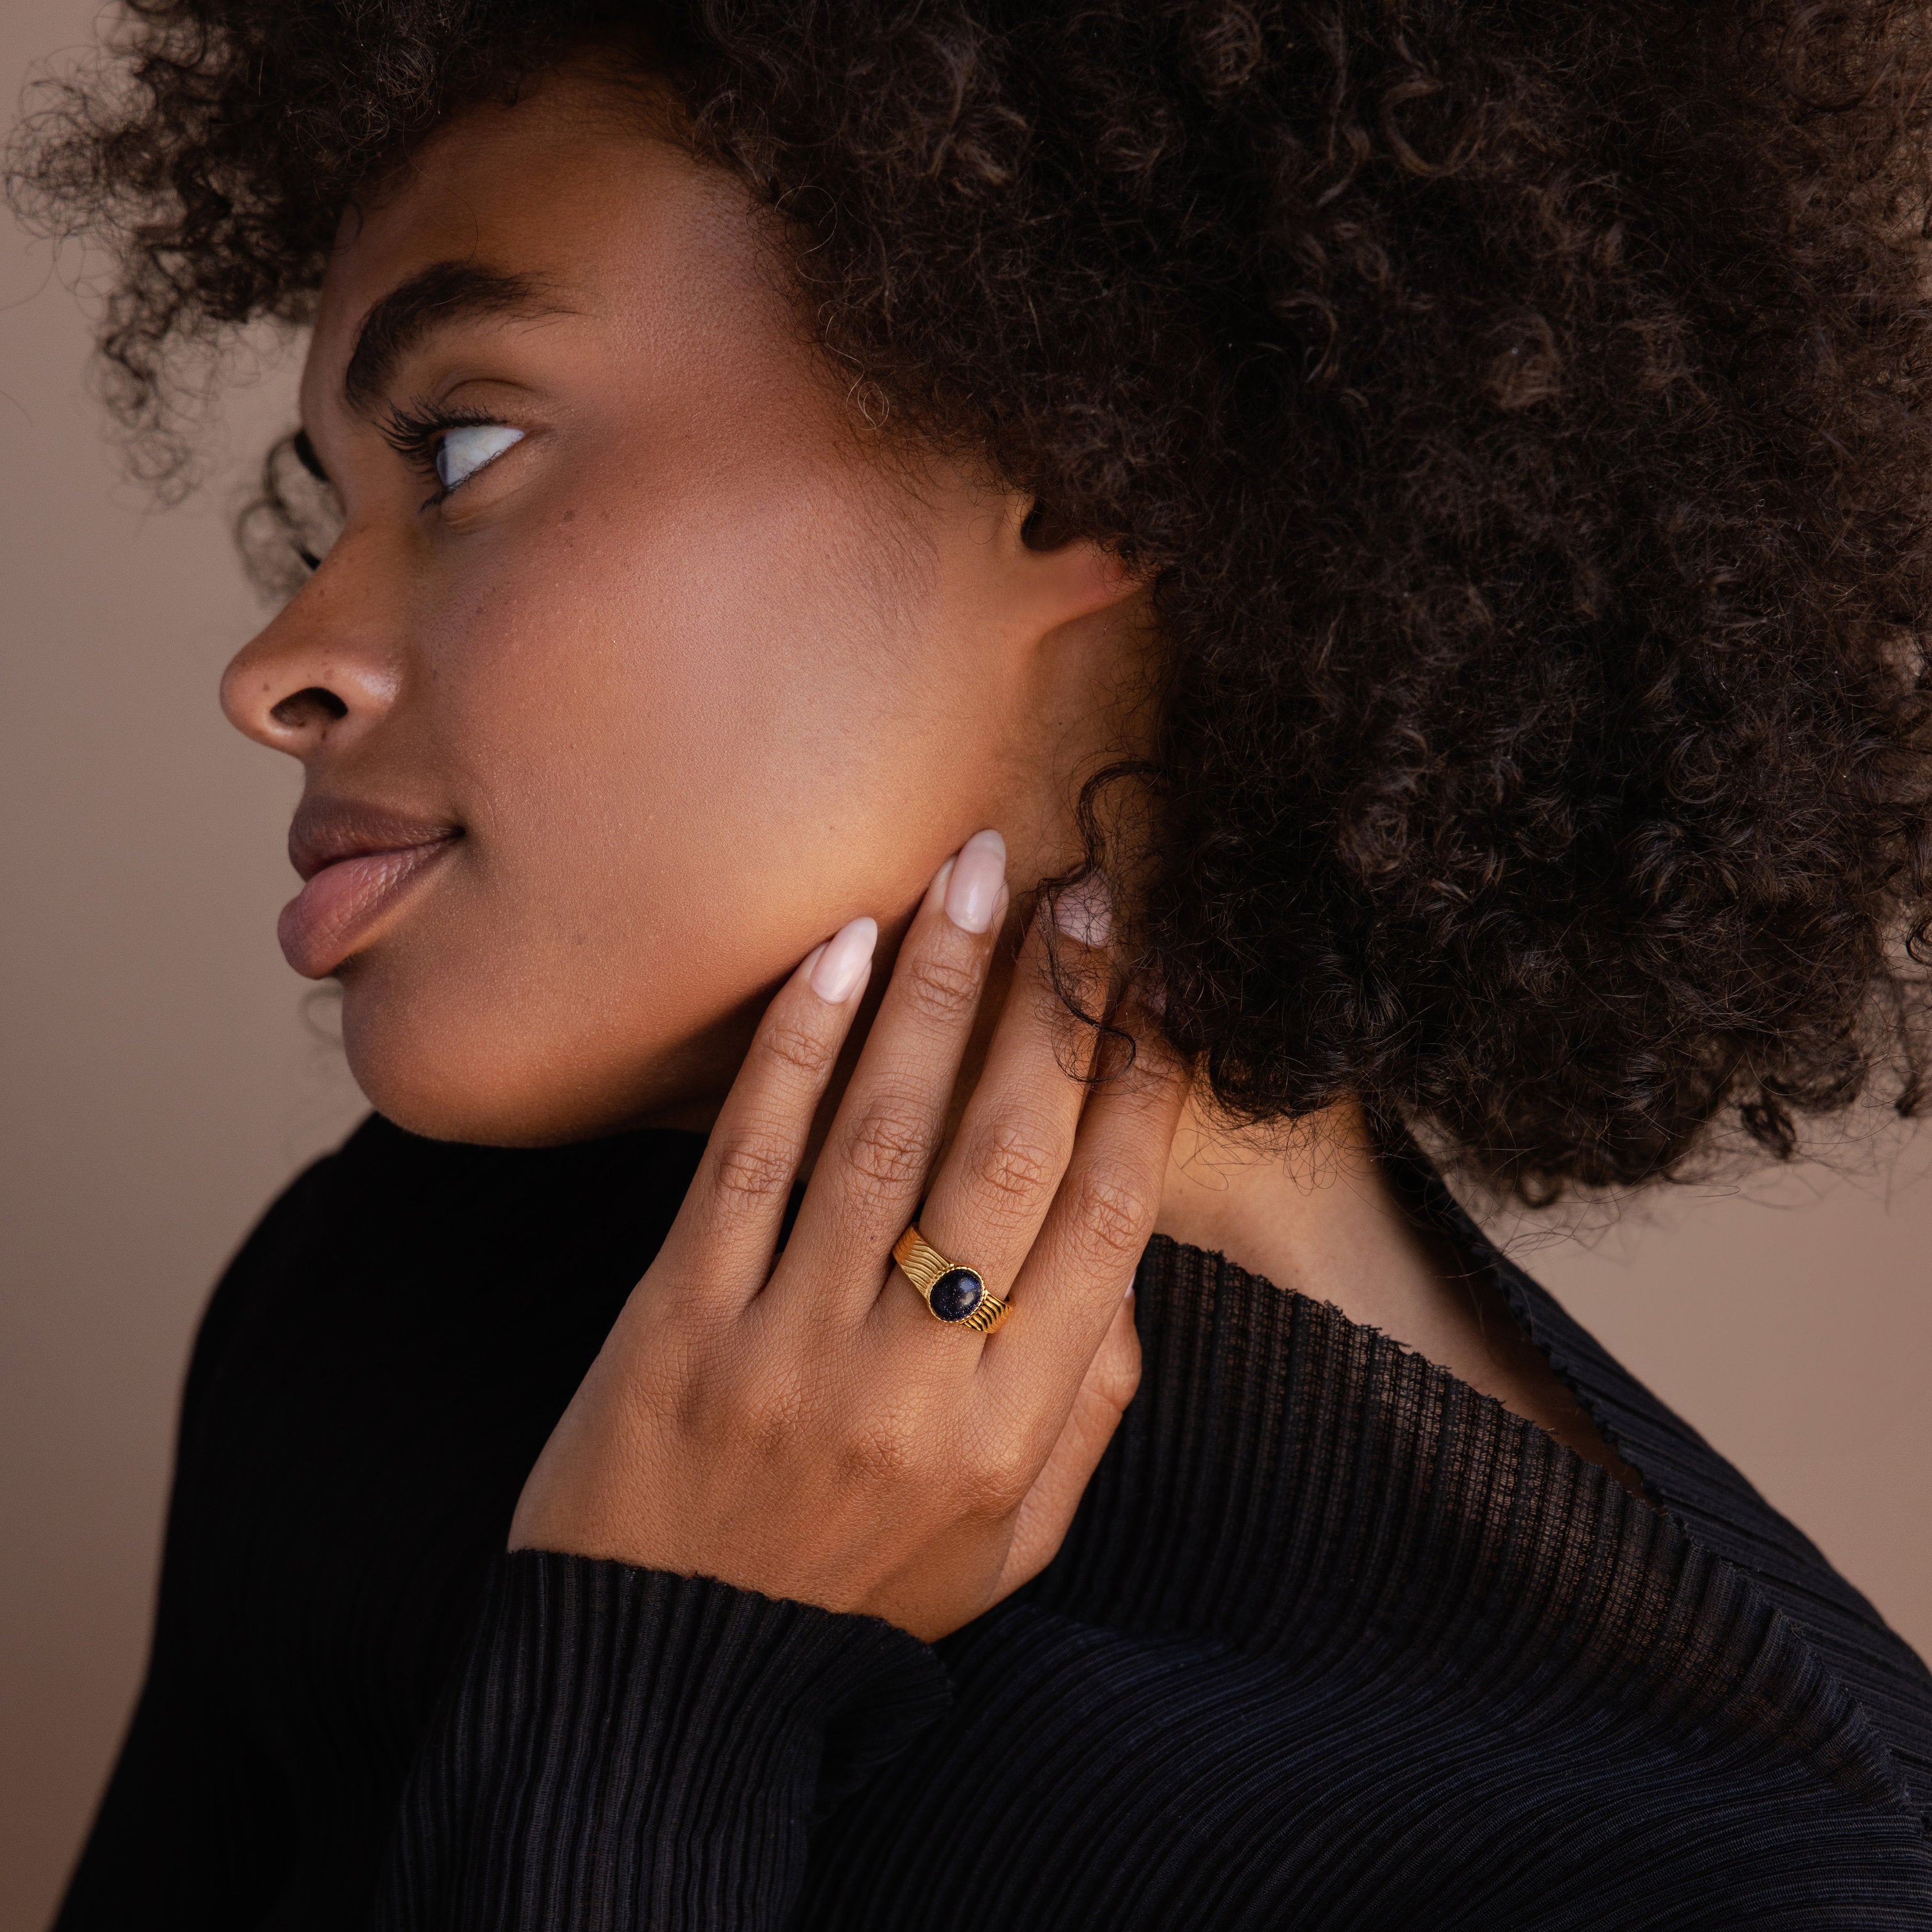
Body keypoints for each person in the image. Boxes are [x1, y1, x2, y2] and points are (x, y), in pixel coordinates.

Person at [12, 1, 1932, 1924]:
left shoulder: (1722, 1871)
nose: (275, 671)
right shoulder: (394, 1300)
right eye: (327, 506)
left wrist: (659, 1679)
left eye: (468, 444)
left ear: (1093, 455)